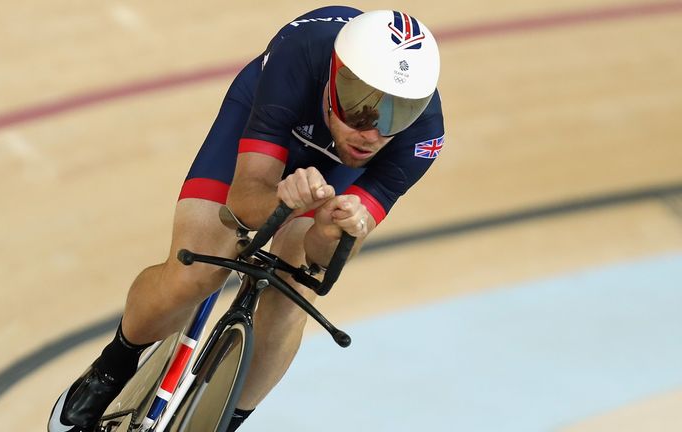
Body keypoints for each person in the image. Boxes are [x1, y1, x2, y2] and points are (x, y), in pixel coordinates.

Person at [48, 6, 444, 432]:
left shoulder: (422, 138)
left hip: (333, 178)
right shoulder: (299, 57)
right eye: (363, 109)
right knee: (195, 271)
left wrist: (331, 229)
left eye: (397, 116)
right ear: (334, 80)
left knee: (296, 290)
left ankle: (227, 419)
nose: (373, 134)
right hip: (271, 128)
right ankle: (113, 365)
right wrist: (282, 199)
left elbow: (323, 263)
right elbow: (242, 202)